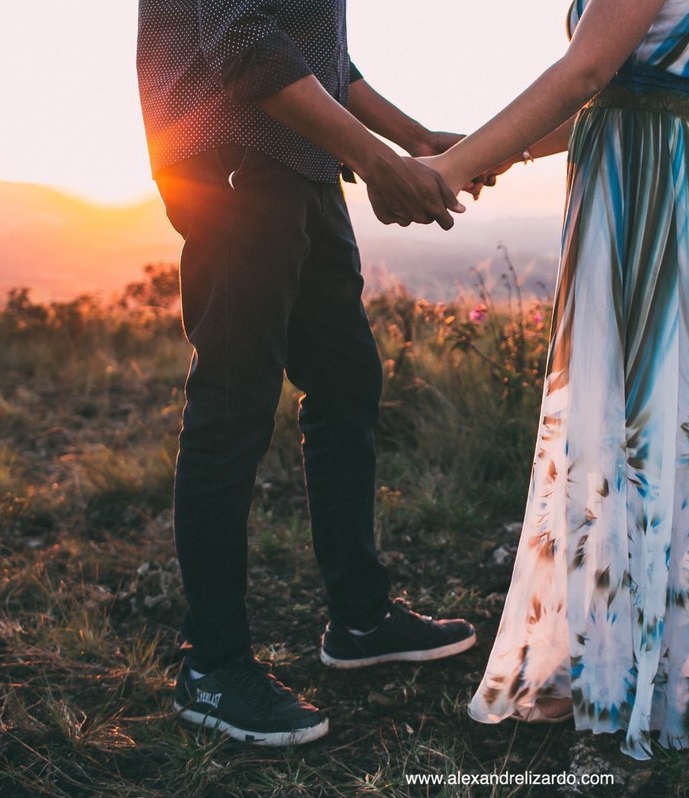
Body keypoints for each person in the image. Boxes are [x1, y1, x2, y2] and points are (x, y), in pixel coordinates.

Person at [422, 0, 689, 759]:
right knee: (653, 414)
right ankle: (648, 656)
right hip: (649, 169)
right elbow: (611, 92)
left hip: (652, 189)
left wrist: (452, 167)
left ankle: (660, 670)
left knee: (650, 415)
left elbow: (588, 70)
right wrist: (486, 151)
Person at [135, 0, 477, 746]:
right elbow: (243, 39)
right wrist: (380, 162)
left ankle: (358, 617)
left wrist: (410, 138)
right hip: (233, 156)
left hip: (303, 160)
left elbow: (321, 57)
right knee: (233, 399)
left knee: (347, 380)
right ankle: (212, 664)